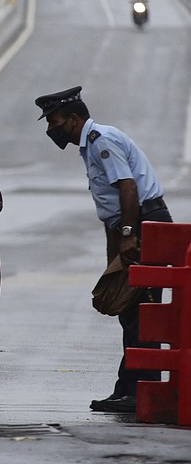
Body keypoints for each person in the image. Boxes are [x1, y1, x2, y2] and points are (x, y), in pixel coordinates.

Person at [35, 86, 170, 413]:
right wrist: (114, 257)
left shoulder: (100, 141)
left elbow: (128, 187)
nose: (50, 129)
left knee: (142, 313)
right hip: (133, 225)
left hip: (144, 223)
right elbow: (111, 208)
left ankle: (141, 390)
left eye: (53, 121)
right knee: (130, 310)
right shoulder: (90, 144)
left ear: (72, 119)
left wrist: (127, 235)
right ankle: (128, 388)